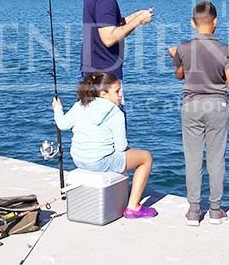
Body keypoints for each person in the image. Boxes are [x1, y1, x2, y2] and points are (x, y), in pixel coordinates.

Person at [168, 1, 229, 227]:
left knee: (193, 159)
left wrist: (175, 58)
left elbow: (179, 75)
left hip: (191, 106)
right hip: (217, 106)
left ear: (192, 23)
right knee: (216, 159)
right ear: (215, 22)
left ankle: (193, 211)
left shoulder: (183, 47)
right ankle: (216, 211)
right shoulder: (226, 49)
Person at [51, 72, 156, 219]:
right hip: (99, 162)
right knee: (146, 158)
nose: (120, 95)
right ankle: (133, 207)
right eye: (117, 91)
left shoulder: (80, 104)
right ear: (103, 94)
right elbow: (121, 148)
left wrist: (57, 108)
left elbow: (62, 124)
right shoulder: (115, 112)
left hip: (79, 159)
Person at [81, 0, 154, 112]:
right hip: (106, 76)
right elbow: (108, 37)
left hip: (92, 71)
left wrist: (135, 16)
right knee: (114, 129)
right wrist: (138, 22)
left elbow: (108, 25)